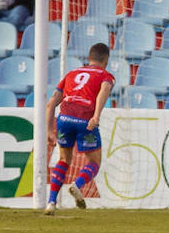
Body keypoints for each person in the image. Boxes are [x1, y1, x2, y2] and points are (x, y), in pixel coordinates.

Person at [43, 42, 115, 215]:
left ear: (89, 58)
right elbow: (103, 91)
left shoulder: (72, 73)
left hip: (64, 119)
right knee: (94, 162)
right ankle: (78, 185)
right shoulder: (106, 75)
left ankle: (51, 202)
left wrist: (49, 131)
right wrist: (96, 116)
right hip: (84, 121)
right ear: (105, 60)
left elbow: (50, 104)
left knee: (63, 160)